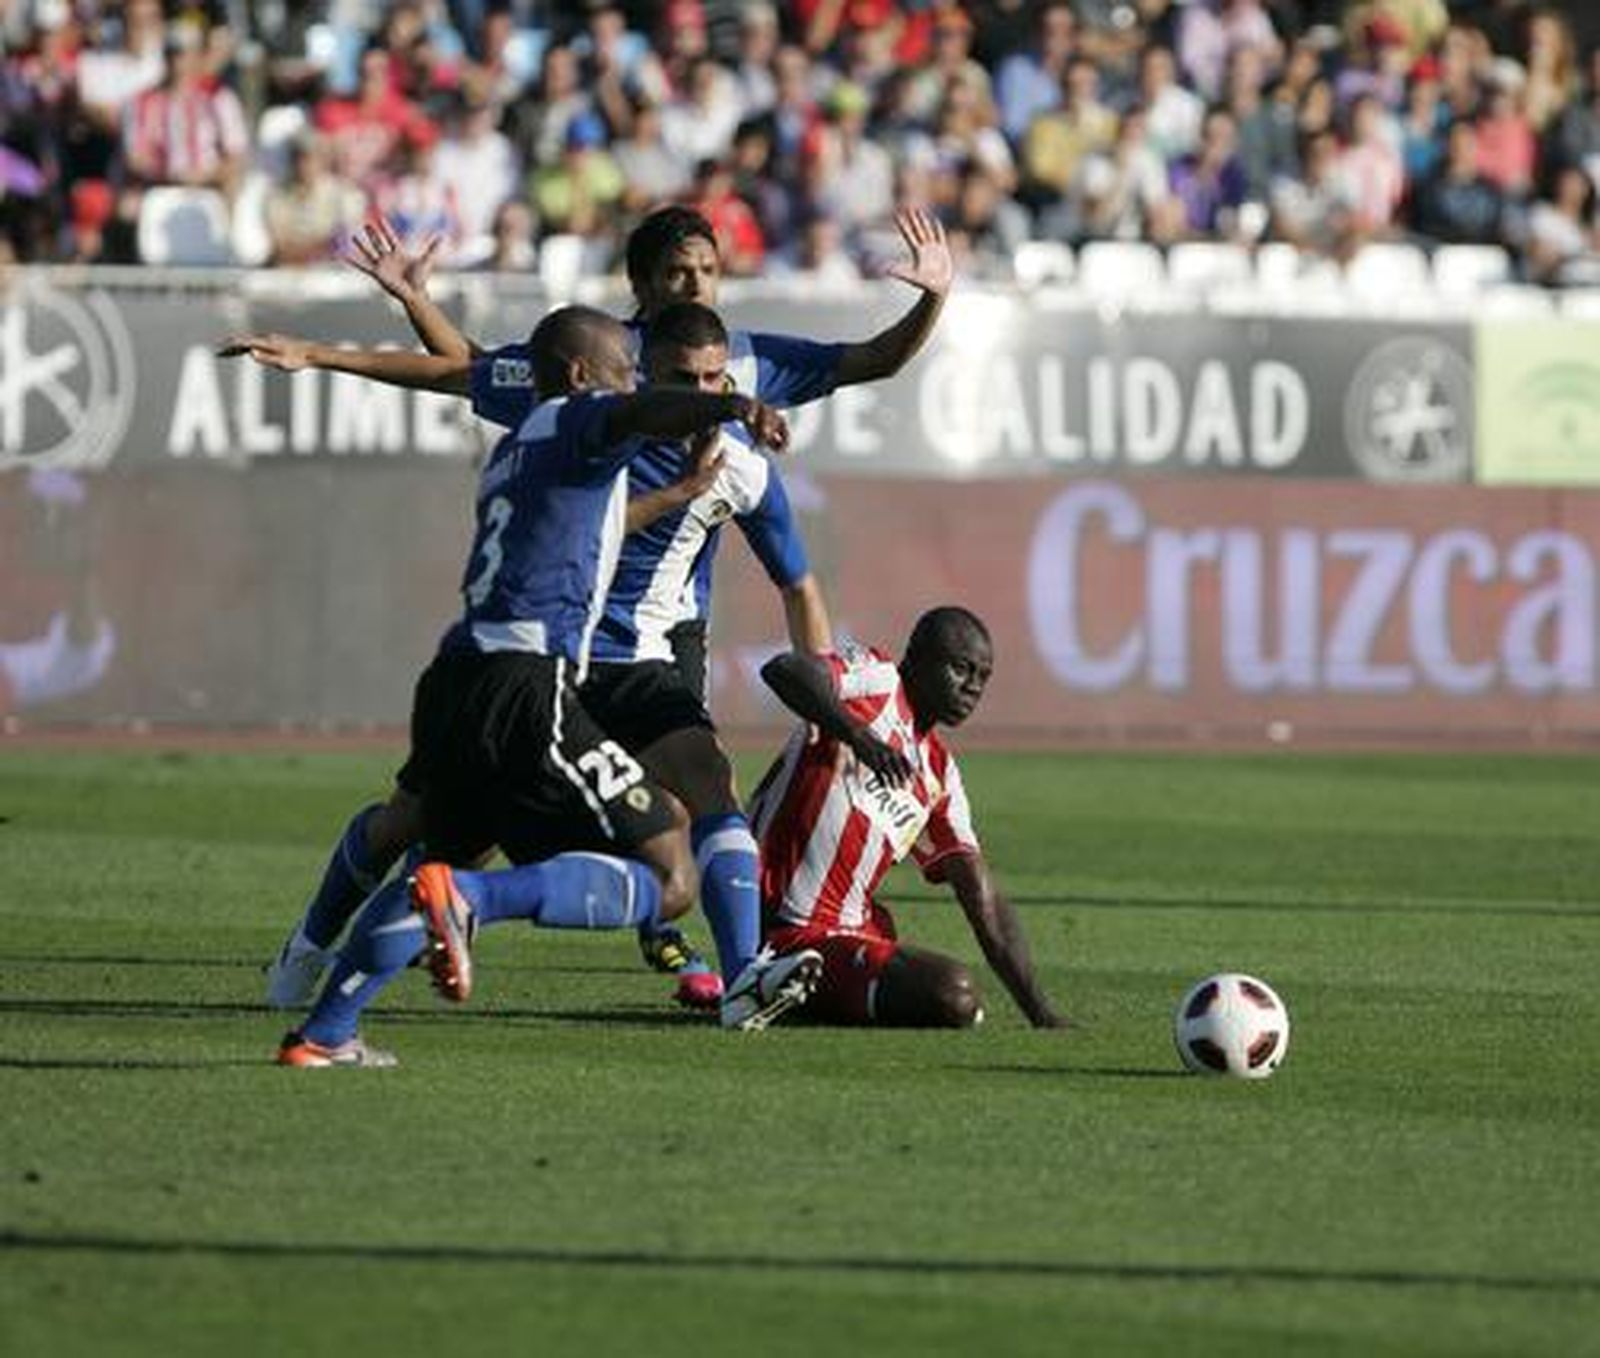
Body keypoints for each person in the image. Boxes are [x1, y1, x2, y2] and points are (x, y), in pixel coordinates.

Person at [260, 203, 952, 1006]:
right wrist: (345, 338)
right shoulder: (593, 382)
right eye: (677, 272)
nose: (696, 283)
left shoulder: (737, 381)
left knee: (698, 789)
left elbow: (869, 368)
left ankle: (736, 973)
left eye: (707, 268)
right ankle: (325, 959)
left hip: (651, 640)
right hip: (539, 651)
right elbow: (467, 372)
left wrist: (934, 298)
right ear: (641, 292)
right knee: (423, 834)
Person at [269, 305, 822, 1066]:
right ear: (577, 375)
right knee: (669, 871)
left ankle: (325, 1033)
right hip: (526, 686)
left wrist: (683, 488)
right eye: (620, 371)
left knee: (438, 860)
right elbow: (639, 407)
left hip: (457, 677)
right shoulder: (577, 419)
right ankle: (477, 906)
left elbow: (588, 530)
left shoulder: (517, 449)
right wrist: (731, 403)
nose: (629, 383)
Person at [748, 608, 1066, 1030]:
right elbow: (784, 670)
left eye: (982, 678)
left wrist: (1042, 1014)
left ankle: (804, 989)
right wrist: (858, 735)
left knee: (943, 987)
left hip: (846, 931)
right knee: (954, 994)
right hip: (785, 926)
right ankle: (770, 981)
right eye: (961, 669)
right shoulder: (879, 682)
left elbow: (978, 891)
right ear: (917, 659)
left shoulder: (939, 773)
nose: (972, 687)